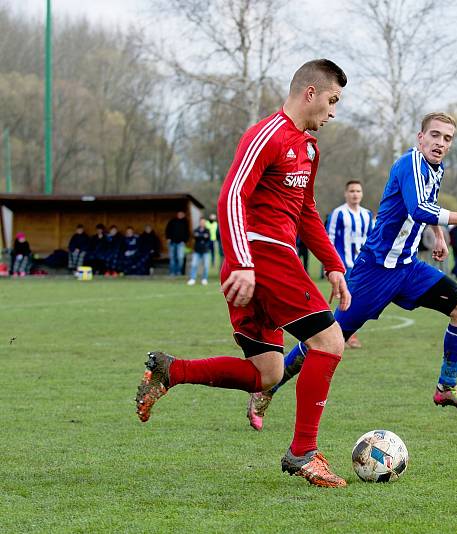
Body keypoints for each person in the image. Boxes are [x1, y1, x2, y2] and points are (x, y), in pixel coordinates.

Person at [135, 59, 352, 488]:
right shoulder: (266, 134)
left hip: (261, 263)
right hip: (261, 258)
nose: (332, 112)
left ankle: (169, 371)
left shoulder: (308, 148)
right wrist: (245, 261)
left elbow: (306, 211)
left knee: (267, 373)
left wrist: (333, 265)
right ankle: (302, 452)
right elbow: (231, 196)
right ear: (310, 92)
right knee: (329, 341)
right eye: (331, 101)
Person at [248, 111, 457, 435]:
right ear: (420, 138)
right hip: (374, 273)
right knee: (328, 340)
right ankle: (268, 388)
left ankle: (446, 387)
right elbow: (419, 207)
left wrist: (438, 237)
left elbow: (429, 204)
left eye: (447, 138)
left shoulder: (436, 169)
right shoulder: (409, 164)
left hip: (408, 268)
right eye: (434, 135)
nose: (440, 143)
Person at [327, 180, 373, 348]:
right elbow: (328, 240)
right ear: (346, 193)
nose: (355, 194)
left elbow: (372, 239)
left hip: (362, 266)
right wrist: (331, 264)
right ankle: (344, 336)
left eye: (358, 191)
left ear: (362, 194)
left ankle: (342, 334)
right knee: (347, 299)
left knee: (358, 301)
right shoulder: (338, 214)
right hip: (343, 265)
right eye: (352, 191)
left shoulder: (367, 215)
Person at [187, 217, 212, 286]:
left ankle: (204, 279)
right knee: (194, 265)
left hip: (205, 251)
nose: (202, 223)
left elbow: (208, 238)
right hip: (197, 250)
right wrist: (203, 236)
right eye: (201, 222)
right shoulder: (196, 230)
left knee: (206, 266)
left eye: (203, 222)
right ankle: (192, 279)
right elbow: (195, 236)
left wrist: (200, 236)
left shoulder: (207, 230)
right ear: (199, 222)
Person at [165, 211, 190, 276]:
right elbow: (167, 230)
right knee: (172, 258)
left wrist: (185, 240)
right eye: (179, 214)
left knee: (180, 257)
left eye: (182, 214)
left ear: (183, 215)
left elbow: (187, 232)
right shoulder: (172, 221)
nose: (180, 215)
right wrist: (168, 238)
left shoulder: (185, 222)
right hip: (172, 242)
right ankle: (172, 272)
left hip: (181, 243)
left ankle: (179, 272)